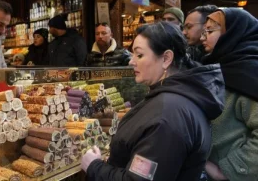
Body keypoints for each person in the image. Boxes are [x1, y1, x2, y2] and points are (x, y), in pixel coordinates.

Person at [81, 22, 225, 181]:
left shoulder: (167, 116)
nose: (131, 61)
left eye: (140, 55)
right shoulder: (176, 97)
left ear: (166, 58)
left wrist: (94, 166)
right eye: (133, 54)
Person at [201, 8, 258, 181]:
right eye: (203, 31)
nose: (203, 37)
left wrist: (227, 171)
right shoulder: (218, 67)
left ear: (233, 32)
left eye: (210, 31)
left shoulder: (249, 72)